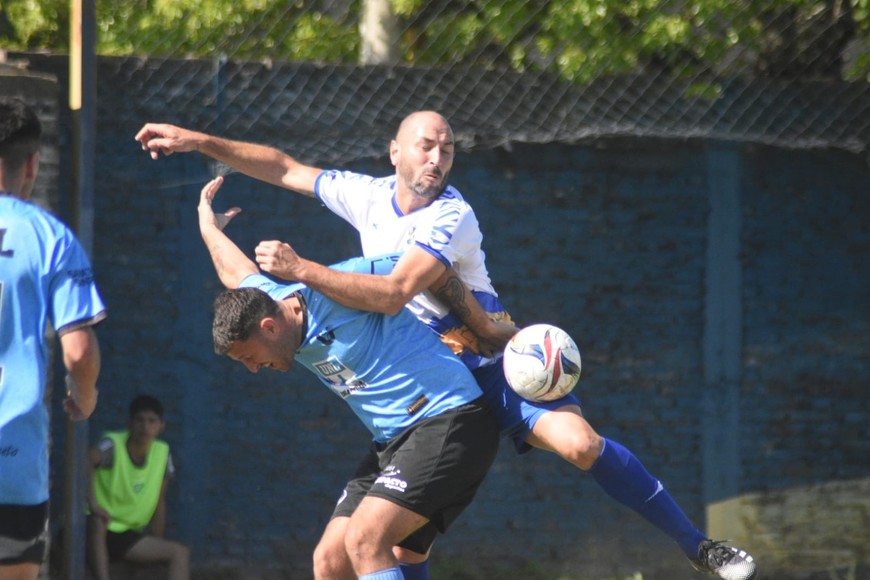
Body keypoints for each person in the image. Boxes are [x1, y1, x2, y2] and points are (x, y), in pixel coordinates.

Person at [135, 114, 758, 580]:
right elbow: (283, 167)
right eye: (426, 145)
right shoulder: (367, 195)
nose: (438, 157)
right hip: (426, 374)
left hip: (483, 362)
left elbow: (396, 290)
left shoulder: (449, 214)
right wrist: (199, 143)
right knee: (391, 549)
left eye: (448, 148)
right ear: (395, 152)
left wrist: (304, 268)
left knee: (581, 445)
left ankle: (697, 545)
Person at [196, 176, 499, 580]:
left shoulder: (339, 287)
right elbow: (235, 272)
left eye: (250, 358)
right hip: (394, 443)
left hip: (450, 421)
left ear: (269, 327)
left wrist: (482, 327)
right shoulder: (265, 303)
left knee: (364, 541)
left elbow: (416, 272)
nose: (253, 368)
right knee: (330, 561)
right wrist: (206, 225)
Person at [0, 97, 106, 580]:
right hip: (14, 466)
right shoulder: (51, 238)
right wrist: (84, 397)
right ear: (32, 163)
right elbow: (79, 351)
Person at [86, 394, 189, 580]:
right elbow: (84, 460)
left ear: (161, 426)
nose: (145, 427)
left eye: (152, 421)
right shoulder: (112, 445)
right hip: (100, 527)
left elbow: (159, 501)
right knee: (96, 522)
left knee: (180, 553)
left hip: (129, 535)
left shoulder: (162, 454)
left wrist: (158, 540)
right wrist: (92, 503)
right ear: (129, 423)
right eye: (140, 420)